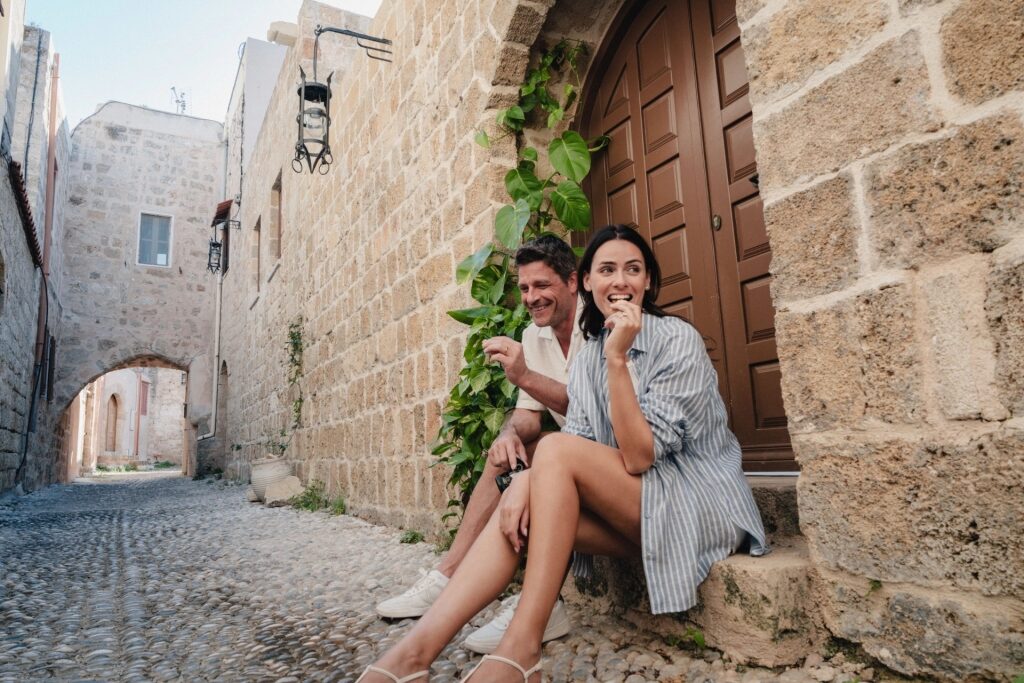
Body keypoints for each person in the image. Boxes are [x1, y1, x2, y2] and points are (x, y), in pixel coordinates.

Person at [358, 225, 768, 683]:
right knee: (518, 506)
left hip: (697, 506)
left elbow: (637, 458)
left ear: (648, 281)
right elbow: (579, 438)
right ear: (588, 281)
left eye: (633, 270)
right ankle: (414, 655)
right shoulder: (591, 355)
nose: (620, 281)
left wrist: (618, 359)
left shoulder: (676, 341)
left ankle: (520, 648)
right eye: (607, 270)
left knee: (547, 456)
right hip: (640, 513)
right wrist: (523, 484)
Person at [375, 235, 584, 653]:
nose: (531, 297)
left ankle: (536, 605)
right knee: (507, 453)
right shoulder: (533, 336)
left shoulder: (596, 327)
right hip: (570, 451)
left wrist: (524, 376)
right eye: (524, 288)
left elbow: (598, 411)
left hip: (602, 454)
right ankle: (446, 577)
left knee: (550, 457)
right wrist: (508, 434)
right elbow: (528, 414)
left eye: (542, 285)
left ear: (573, 281)